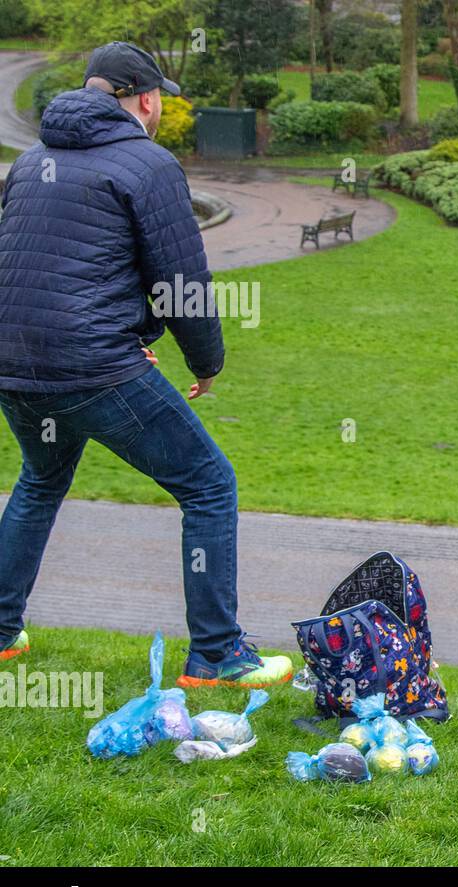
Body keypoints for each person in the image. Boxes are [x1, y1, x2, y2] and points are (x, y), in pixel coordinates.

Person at [0, 42, 291, 687]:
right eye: (159, 98)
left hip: (16, 365)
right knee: (209, 484)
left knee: (40, 483)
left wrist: (128, 324)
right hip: (90, 366)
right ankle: (217, 655)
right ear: (146, 98)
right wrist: (206, 361)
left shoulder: (32, 161)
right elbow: (181, 279)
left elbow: (49, 266)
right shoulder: (148, 163)